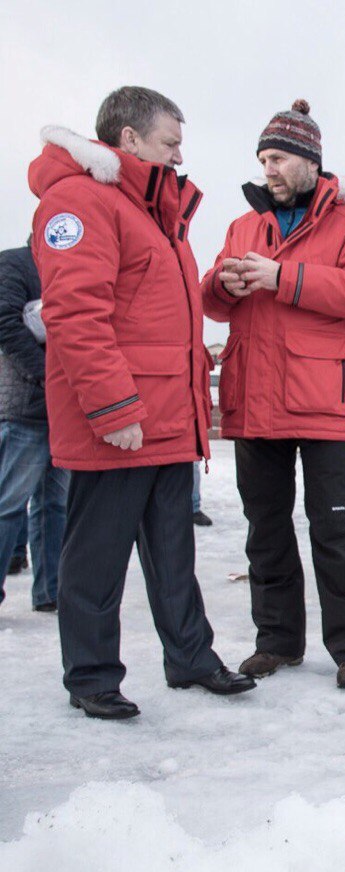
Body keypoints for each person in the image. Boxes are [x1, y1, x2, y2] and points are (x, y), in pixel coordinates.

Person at [29, 86, 255, 719]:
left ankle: (190, 656)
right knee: (97, 559)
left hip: (166, 416)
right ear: (127, 138)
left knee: (173, 551)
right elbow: (75, 315)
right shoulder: (80, 201)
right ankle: (93, 676)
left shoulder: (158, 213)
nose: (181, 154)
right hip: (122, 422)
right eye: (170, 141)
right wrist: (113, 409)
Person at [201, 100, 345, 690]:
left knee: (336, 530)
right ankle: (277, 641)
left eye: (278, 157)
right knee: (266, 530)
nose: (269, 169)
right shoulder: (243, 225)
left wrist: (284, 278)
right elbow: (210, 303)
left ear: (310, 160)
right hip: (254, 398)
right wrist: (224, 284)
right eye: (263, 159)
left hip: (323, 402)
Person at [0, 244, 68, 613]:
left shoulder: (74, 265)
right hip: (27, 406)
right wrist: (49, 375)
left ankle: (51, 591)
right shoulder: (14, 263)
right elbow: (6, 323)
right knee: (8, 504)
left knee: (55, 505)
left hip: (64, 412)